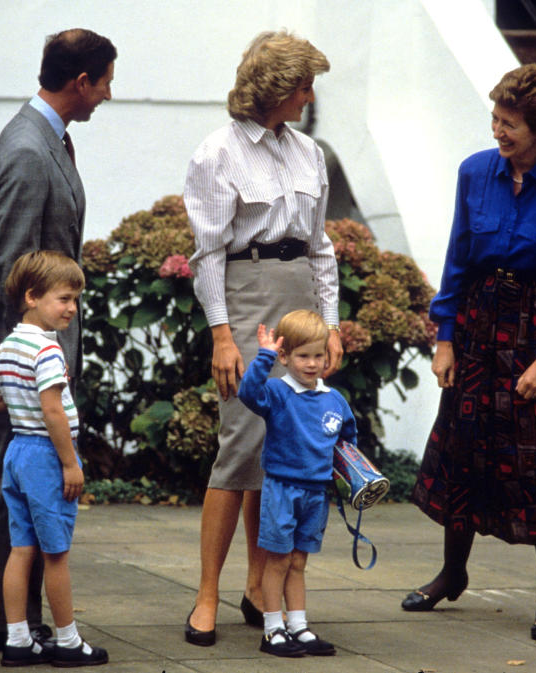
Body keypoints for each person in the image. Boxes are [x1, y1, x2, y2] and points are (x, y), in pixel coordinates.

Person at [403, 63, 536, 642]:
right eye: (494, 117)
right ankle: (452, 572)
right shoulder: (474, 172)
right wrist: (443, 337)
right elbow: (458, 257)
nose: (497, 130)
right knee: (463, 446)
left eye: (509, 122)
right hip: (479, 325)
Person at [182, 30, 343, 646]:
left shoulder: (309, 151)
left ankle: (258, 588)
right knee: (241, 442)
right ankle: (205, 596)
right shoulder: (217, 152)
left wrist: (327, 324)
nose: (308, 96)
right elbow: (207, 255)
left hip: (299, 296)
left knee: (284, 444)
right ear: (277, 89)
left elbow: (321, 246)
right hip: (247, 301)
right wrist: (222, 336)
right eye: (304, 85)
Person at [0, 28, 117, 651]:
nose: (109, 93)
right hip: (26, 352)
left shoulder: (42, 137)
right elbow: (14, 266)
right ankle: (6, 623)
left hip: (30, 349)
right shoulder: (31, 149)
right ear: (80, 81)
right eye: (105, 80)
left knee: (14, 480)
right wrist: (25, 359)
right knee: (17, 483)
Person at [0, 250, 107, 667]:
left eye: (75, 299)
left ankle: (18, 639)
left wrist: (20, 401)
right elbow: (53, 410)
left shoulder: (6, 346)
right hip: (46, 457)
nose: (72, 308)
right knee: (56, 553)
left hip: (17, 453)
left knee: (21, 549)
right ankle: (68, 642)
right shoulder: (48, 351)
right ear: (33, 296)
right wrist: (70, 463)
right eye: (65, 299)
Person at [238, 310, 356, 657]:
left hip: (316, 494)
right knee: (276, 560)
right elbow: (248, 393)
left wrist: (352, 475)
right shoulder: (276, 391)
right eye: (303, 356)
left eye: (318, 355)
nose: (312, 363)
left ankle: (298, 626)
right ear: (285, 356)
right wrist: (264, 357)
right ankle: (272, 629)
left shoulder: (334, 399)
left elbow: (347, 443)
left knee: (299, 562)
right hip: (281, 490)